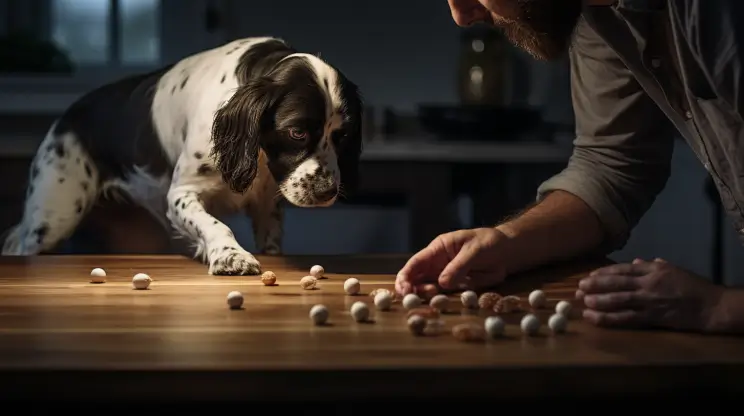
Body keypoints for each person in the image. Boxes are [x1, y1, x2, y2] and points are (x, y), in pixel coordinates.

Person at [396, 0, 744, 334]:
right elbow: (610, 165)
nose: (461, 14)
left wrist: (718, 308)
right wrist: (508, 242)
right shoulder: (599, 13)